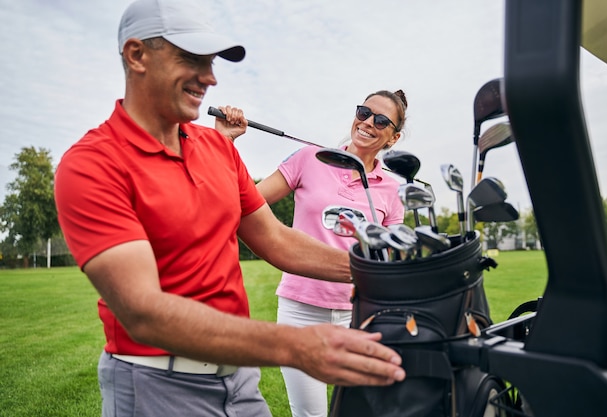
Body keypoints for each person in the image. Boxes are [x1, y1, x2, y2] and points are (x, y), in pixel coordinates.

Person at [53, 1, 405, 416]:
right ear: (136, 55)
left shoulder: (217, 150)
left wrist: (384, 272)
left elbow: (276, 241)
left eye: (211, 63)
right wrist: (294, 345)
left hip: (238, 383)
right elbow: (142, 312)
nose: (210, 78)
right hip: (154, 383)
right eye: (192, 59)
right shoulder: (91, 164)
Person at [217, 90, 408, 417]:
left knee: (364, 410)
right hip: (300, 310)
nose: (367, 123)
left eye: (380, 121)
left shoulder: (392, 189)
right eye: (364, 112)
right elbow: (246, 203)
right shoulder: (309, 158)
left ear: (393, 137)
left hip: (360, 313)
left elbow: (390, 257)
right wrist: (225, 144)